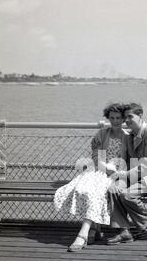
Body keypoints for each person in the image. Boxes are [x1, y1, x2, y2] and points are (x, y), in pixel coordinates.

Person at [54, 102, 128, 251]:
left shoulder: (128, 137)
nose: (115, 121)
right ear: (108, 118)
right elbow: (97, 157)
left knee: (97, 192)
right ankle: (93, 229)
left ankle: (84, 234)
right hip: (99, 170)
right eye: (112, 118)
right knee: (85, 190)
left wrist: (117, 173)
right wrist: (106, 169)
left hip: (117, 174)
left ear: (123, 119)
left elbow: (128, 161)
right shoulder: (102, 134)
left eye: (118, 118)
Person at [107, 102, 147, 244]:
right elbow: (126, 160)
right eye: (125, 118)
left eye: (130, 117)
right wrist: (117, 176)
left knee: (127, 195)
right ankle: (124, 232)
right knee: (113, 189)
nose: (127, 120)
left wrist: (125, 175)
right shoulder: (129, 137)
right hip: (135, 177)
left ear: (140, 116)